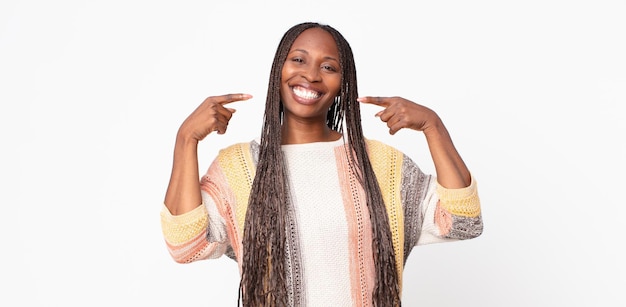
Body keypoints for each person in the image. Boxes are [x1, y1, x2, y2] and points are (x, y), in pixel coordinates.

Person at [161, 21, 483, 306]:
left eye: (329, 67)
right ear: (278, 70)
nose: (311, 75)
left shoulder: (380, 166)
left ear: (343, 84)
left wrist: (433, 126)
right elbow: (184, 245)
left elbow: (464, 221)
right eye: (298, 60)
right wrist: (186, 139)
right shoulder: (240, 169)